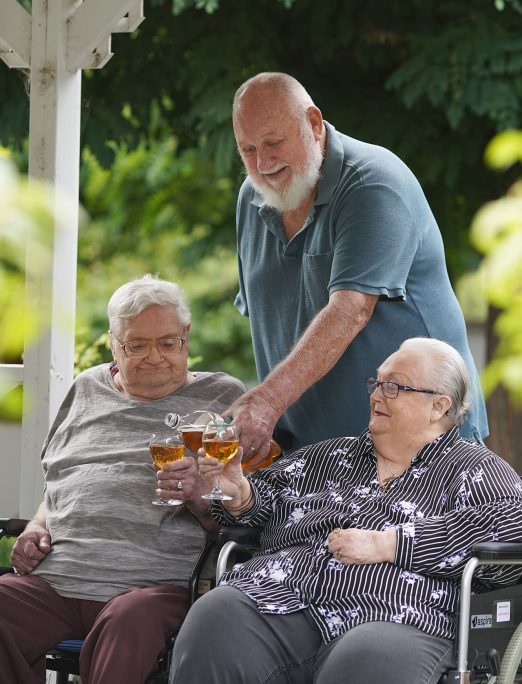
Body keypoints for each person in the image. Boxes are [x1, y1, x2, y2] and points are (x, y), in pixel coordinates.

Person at [166, 338, 522, 684]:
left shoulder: (476, 470)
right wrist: (239, 493)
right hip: (281, 597)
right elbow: (265, 502)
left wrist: (390, 544)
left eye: (395, 386)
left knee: (369, 659)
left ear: (440, 406)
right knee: (217, 615)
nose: (377, 395)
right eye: (377, 383)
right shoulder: (328, 456)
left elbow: (511, 528)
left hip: (394, 618)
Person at [225, 71, 488, 462]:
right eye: (247, 150)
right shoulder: (252, 198)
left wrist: (267, 401)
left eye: (274, 143)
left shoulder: (372, 184)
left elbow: (350, 311)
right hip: (316, 462)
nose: (262, 163)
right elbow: (272, 325)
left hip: (425, 449)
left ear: (313, 124)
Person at [0, 274, 245, 684]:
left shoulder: (222, 398)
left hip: (150, 589)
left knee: (129, 622)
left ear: (187, 336)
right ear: (114, 343)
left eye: (169, 342)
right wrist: (39, 526)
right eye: (137, 344)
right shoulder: (86, 388)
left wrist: (198, 497)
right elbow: (59, 479)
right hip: (58, 580)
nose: (154, 357)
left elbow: (245, 514)